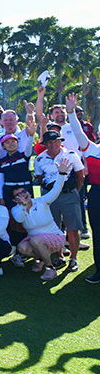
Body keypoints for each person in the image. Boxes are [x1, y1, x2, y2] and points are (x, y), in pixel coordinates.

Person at [10, 158, 72, 281]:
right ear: (14, 200)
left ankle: (50, 268)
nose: (22, 195)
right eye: (18, 195)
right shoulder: (16, 209)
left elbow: (56, 190)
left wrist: (62, 174)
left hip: (54, 237)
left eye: (23, 192)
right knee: (22, 247)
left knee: (35, 240)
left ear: (29, 192)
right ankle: (40, 260)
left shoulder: (41, 201)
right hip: (35, 240)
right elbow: (19, 219)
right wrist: (23, 206)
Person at [34, 130, 85, 268]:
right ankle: (60, 256)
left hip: (69, 195)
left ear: (60, 141)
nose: (53, 145)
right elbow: (40, 180)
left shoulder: (71, 155)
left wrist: (74, 192)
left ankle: (73, 259)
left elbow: (81, 176)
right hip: (50, 197)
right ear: (44, 144)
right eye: (49, 142)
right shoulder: (39, 159)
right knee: (54, 229)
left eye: (56, 141)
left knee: (72, 228)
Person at [66, 95, 100, 283]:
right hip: (96, 194)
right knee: (98, 233)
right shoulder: (91, 149)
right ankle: (99, 270)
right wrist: (71, 112)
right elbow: (78, 132)